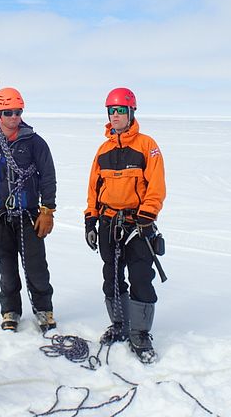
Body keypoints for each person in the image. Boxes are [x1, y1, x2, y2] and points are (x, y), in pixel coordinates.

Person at [84, 87, 166, 364]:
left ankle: (140, 332)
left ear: (131, 112)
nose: (116, 115)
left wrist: (147, 215)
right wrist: (90, 219)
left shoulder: (147, 145)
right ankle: (119, 324)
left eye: (121, 110)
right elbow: (94, 188)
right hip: (108, 222)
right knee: (112, 275)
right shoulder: (103, 149)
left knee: (141, 276)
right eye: (111, 111)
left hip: (137, 224)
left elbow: (156, 186)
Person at [0, 87, 57, 332]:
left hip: (28, 213)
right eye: (8, 112)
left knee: (36, 265)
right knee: (6, 265)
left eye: (18, 111)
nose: (14, 117)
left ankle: (44, 309)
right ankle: (10, 309)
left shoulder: (34, 142)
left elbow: (48, 176)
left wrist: (48, 209)